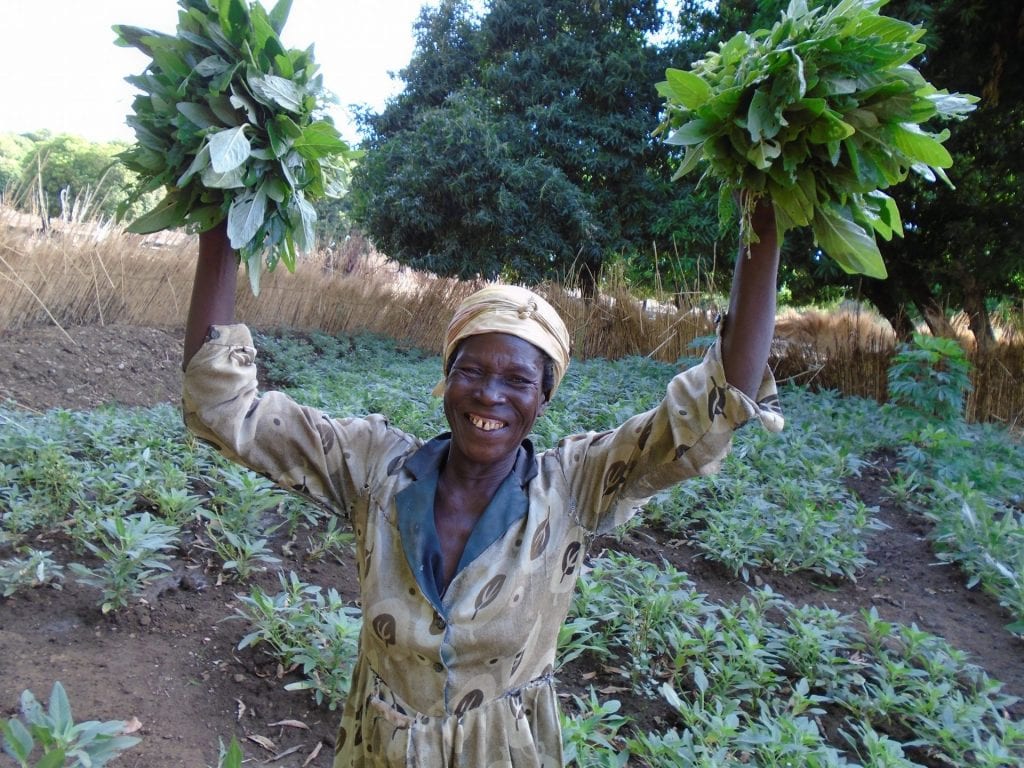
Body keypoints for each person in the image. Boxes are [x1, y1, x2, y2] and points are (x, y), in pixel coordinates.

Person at [181, 198, 784, 767]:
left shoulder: (574, 486)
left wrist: (766, 208)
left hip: (504, 749)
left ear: (544, 397)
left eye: (517, 381)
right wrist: (226, 216)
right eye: (470, 371)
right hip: (381, 746)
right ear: (447, 378)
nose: (489, 395)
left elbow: (713, 404)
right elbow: (223, 409)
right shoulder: (374, 469)